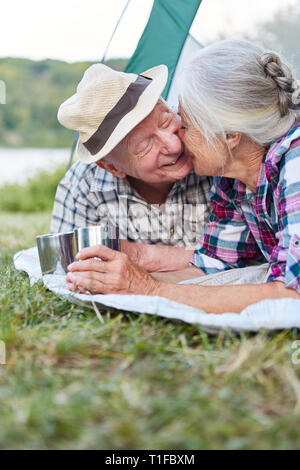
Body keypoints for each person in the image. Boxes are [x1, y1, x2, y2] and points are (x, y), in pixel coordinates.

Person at [66, 39, 300, 314]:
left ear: (230, 135)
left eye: (183, 124)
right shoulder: (230, 177)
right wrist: (129, 274)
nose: (178, 142)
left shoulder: (294, 161)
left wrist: (149, 289)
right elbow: (216, 264)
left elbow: (291, 295)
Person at [51, 64, 211, 269]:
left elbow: (243, 259)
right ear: (111, 167)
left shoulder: (214, 155)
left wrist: (133, 255)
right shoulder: (84, 185)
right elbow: (69, 263)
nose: (175, 145)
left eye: (166, 120)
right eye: (145, 145)